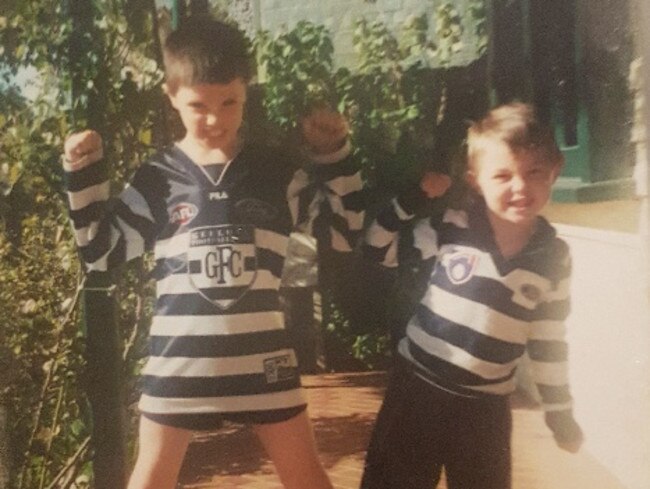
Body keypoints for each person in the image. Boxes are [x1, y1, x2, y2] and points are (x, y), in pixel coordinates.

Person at [62, 17, 364, 489]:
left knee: (307, 477)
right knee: (150, 478)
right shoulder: (157, 177)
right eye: (198, 104)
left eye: (230, 102)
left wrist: (335, 156)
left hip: (266, 363)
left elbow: (344, 235)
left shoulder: (276, 172)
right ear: (171, 95)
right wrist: (83, 175)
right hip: (180, 365)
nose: (214, 119)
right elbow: (101, 253)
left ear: (247, 90)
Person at [360, 102, 584, 489]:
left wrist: (559, 412)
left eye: (534, 172)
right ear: (475, 180)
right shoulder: (453, 228)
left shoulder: (553, 257)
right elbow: (377, 248)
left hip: (486, 410)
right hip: (418, 391)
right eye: (502, 175)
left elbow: (548, 342)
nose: (519, 187)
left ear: (556, 171)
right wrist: (412, 199)